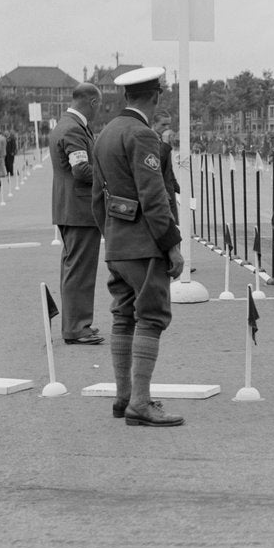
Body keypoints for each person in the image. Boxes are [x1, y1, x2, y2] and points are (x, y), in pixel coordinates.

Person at [92, 67, 185, 427]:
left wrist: (111, 237)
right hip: (144, 245)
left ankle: (124, 396)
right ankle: (141, 402)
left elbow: (97, 201)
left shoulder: (105, 135)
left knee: (122, 315)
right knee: (151, 317)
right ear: (155, 96)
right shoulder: (142, 135)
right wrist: (171, 246)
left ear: (127, 97)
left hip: (116, 243)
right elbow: (154, 197)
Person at [50, 83, 104, 345]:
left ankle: (75, 323)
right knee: (80, 270)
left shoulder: (65, 124)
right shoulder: (73, 128)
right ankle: (76, 327)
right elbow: (81, 170)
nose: (99, 111)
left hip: (69, 208)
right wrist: (109, 177)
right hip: (80, 209)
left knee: (73, 268)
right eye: (100, 105)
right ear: (92, 102)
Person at [152, 111, 181, 221]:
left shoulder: (165, 142)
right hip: (160, 193)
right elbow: (155, 163)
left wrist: (178, 189)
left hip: (169, 191)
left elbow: (169, 169)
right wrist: (165, 144)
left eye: (168, 124)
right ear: (154, 124)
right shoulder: (149, 139)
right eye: (163, 125)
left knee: (175, 226)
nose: (167, 128)